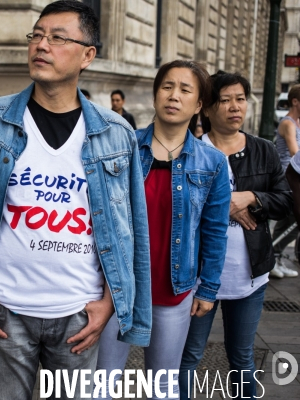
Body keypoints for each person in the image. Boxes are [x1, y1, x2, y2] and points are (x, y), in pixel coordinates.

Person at [0, 1, 151, 398]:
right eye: (36, 35)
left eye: (57, 38)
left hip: (78, 314)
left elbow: (132, 229)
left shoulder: (115, 134)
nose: (42, 45)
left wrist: (110, 302)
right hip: (4, 310)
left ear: (88, 55)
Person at [95, 60, 230, 400]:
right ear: (155, 94)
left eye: (186, 90)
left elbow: (215, 231)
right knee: (101, 385)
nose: (174, 96)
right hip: (117, 287)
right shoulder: (121, 147)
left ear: (199, 105)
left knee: (163, 386)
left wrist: (208, 289)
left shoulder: (212, 162)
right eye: (167, 86)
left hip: (173, 289)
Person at [179, 71, 292, 400]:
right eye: (224, 100)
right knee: (188, 357)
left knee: (242, 356)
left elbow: (285, 202)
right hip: (198, 277)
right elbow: (176, 209)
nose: (234, 106)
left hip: (250, 275)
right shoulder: (190, 152)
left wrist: (252, 198)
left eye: (240, 99)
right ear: (207, 108)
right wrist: (224, 203)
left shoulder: (264, 150)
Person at [271, 84, 300, 278]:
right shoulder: (288, 124)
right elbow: (294, 153)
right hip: (286, 177)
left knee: (293, 221)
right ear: (295, 101)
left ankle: (277, 257)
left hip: (295, 175)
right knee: (290, 219)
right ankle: (272, 256)